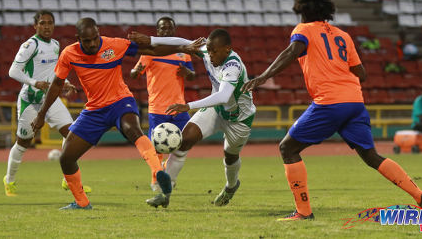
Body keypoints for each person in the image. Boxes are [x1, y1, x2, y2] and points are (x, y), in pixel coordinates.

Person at [242, 0, 422, 221]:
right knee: (372, 156)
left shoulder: (303, 30)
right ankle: (419, 195)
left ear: (304, 12)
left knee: (288, 149)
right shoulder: (344, 35)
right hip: (355, 101)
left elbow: (292, 51)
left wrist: (263, 77)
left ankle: (303, 212)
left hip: (329, 102)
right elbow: (361, 73)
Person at [31, 17, 203, 210]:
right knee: (66, 158)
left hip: (121, 101)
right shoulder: (69, 54)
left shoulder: (114, 45)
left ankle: (157, 173)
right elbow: (56, 85)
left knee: (134, 130)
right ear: (78, 38)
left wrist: (181, 48)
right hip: (94, 110)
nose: (93, 43)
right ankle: (82, 203)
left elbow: (151, 50)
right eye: (87, 41)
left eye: (95, 38)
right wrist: (41, 114)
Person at [131, 29, 256, 206]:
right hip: (215, 110)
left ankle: (231, 185)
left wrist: (188, 106)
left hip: (239, 119)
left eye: (214, 51)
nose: (210, 55)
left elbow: (223, 96)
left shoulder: (233, 65)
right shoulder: (208, 50)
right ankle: (165, 194)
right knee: (184, 140)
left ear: (227, 50)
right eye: (209, 50)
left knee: (230, 157)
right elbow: (179, 40)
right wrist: (149, 39)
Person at [3, 10, 88, 197]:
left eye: (50, 22)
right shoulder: (30, 45)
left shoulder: (56, 45)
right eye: (42, 23)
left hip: (49, 99)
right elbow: (13, 71)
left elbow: (52, 71)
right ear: (35, 26)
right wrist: (35, 83)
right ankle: (9, 180)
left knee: (72, 134)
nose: (47, 26)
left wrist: (63, 84)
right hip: (30, 101)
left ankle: (70, 181)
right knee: (23, 142)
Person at [129, 16, 196, 192]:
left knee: (186, 140)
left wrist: (187, 72)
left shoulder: (184, 52)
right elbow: (136, 72)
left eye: (169, 29)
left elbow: (193, 76)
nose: (165, 31)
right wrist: (134, 72)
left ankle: (168, 171)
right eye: (162, 29)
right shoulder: (150, 52)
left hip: (179, 106)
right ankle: (155, 180)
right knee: (157, 147)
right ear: (157, 32)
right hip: (157, 108)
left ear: (174, 30)